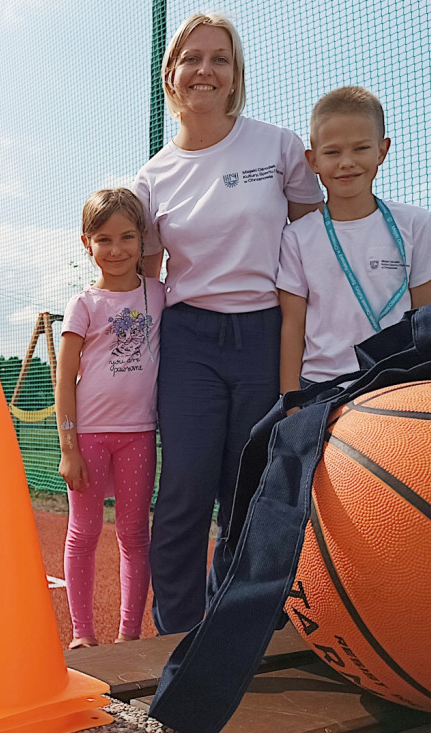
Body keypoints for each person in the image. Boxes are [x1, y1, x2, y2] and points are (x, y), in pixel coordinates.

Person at [132, 12, 323, 635]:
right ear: (172, 75)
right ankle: (175, 636)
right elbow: (147, 278)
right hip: (188, 339)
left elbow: (312, 245)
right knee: (184, 488)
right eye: (192, 58)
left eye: (220, 59)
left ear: (236, 75)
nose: (205, 70)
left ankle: (239, 630)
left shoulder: (278, 147)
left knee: (249, 490)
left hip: (265, 335)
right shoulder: (153, 177)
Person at [277, 86, 431, 391]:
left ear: (382, 150)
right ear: (313, 160)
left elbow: (426, 317)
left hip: (398, 382)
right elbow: (293, 325)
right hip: (321, 389)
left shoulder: (415, 223)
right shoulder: (296, 237)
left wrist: (426, 388)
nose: (347, 162)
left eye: (360, 148)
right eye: (332, 152)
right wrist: (291, 402)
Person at [55, 188, 165, 649]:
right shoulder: (83, 305)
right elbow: (63, 380)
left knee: (134, 534)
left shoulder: (158, 294)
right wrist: (69, 449)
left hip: (139, 436)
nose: (116, 250)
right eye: (103, 239)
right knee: (83, 534)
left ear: (143, 240)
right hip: (90, 440)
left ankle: (130, 633)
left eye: (126, 237)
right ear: (86, 243)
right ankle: (83, 634)